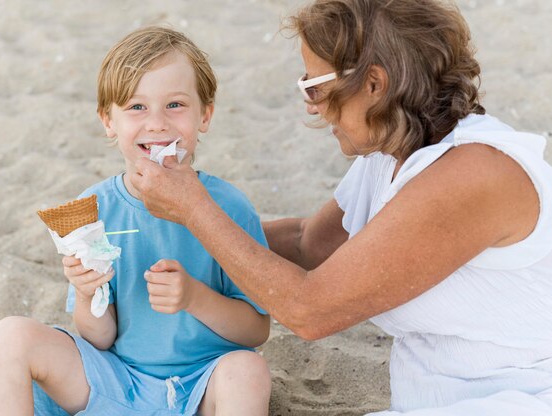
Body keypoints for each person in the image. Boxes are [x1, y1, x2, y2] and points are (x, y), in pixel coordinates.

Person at [130, 1, 552, 415]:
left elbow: (309, 310)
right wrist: (163, 234)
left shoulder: (475, 173)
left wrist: (197, 211)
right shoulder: (392, 152)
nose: (311, 105)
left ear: (373, 83)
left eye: (314, 86)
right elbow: (308, 244)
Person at [0, 26, 271, 416]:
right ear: (108, 122)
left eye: (176, 105)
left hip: (204, 389)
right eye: (136, 107)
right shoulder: (95, 208)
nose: (157, 124)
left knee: (249, 370)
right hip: (118, 382)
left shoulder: (231, 208)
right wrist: (87, 293)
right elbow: (99, 338)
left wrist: (195, 298)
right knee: (11, 335)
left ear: (206, 116)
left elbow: (256, 330)